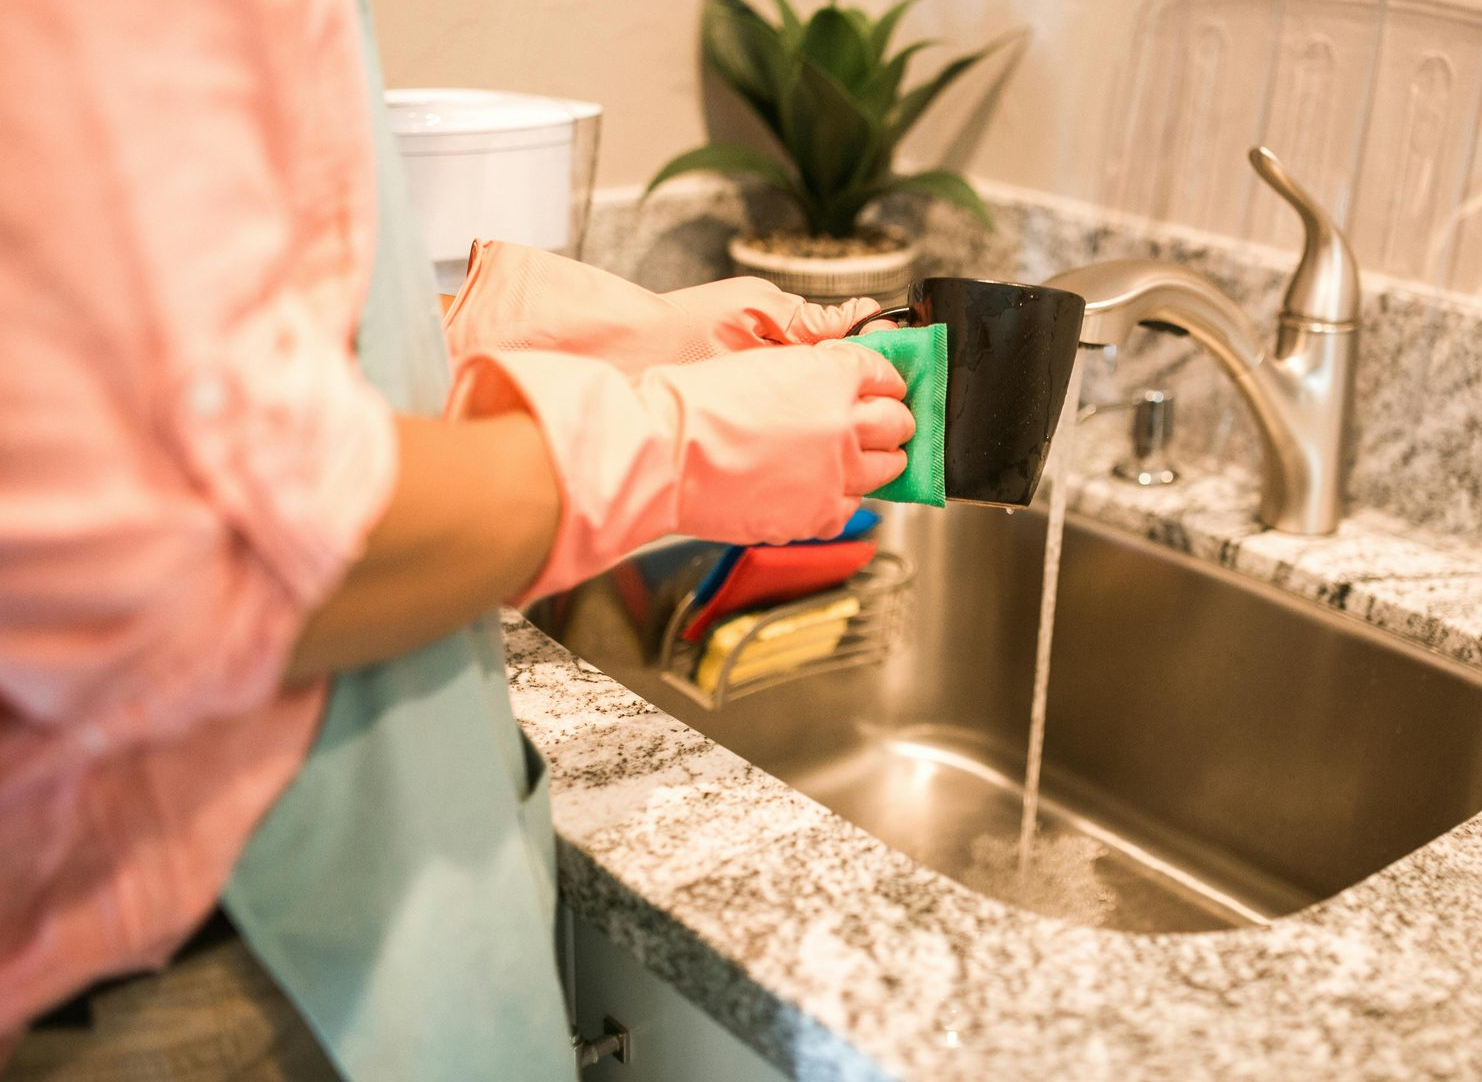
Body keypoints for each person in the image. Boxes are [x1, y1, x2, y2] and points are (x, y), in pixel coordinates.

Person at [0, 2, 913, 1078]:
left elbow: (212, 360)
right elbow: (203, 548)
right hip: (221, 983)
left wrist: (609, 339)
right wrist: (669, 444)